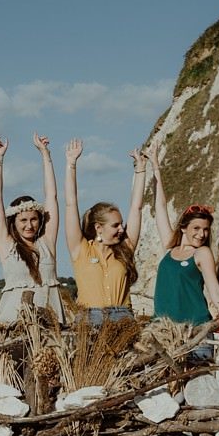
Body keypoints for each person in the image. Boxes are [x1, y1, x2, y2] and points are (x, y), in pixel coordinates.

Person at [147, 144, 219, 357]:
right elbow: (160, 208)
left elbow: (214, 291)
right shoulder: (170, 247)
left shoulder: (202, 253)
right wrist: (156, 168)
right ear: (183, 228)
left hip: (196, 331)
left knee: (199, 386)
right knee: (169, 389)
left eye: (206, 230)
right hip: (165, 332)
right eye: (196, 228)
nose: (202, 234)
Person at [64, 138, 146, 325]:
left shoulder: (125, 248)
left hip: (123, 318)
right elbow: (71, 203)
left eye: (121, 224)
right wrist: (71, 164)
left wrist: (140, 170)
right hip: (88, 320)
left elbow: (137, 208)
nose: (122, 229)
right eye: (115, 225)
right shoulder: (80, 249)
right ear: (98, 227)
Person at [0, 133, 65, 324]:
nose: (29, 225)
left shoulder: (47, 243)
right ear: (14, 222)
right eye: (23, 220)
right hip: (14, 323)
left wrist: (45, 155)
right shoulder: (7, 245)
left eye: (33, 219)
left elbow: (52, 196)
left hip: (50, 322)